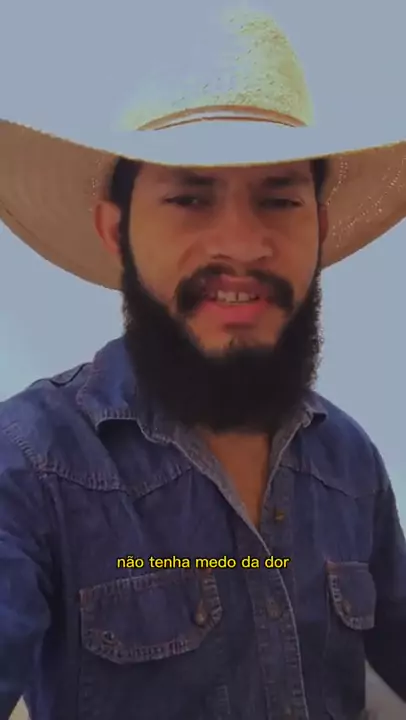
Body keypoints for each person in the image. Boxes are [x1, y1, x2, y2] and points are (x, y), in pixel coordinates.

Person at [1, 4, 406, 719]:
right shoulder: (30, 464)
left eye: (279, 199)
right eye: (190, 198)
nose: (242, 246)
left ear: (318, 227)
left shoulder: (350, 462)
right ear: (117, 231)